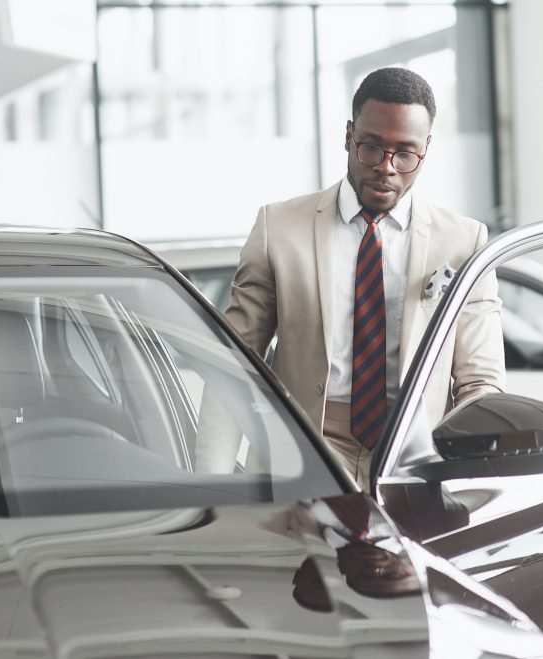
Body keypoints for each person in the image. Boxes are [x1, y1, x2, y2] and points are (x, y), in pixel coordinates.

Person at [201, 67, 504, 488]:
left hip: (414, 458)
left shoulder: (464, 240)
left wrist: (472, 476)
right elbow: (234, 363)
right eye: (371, 148)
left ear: (426, 149)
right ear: (349, 136)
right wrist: (210, 492)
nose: (386, 168)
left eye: (405, 154)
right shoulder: (279, 227)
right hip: (304, 451)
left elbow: (479, 382)